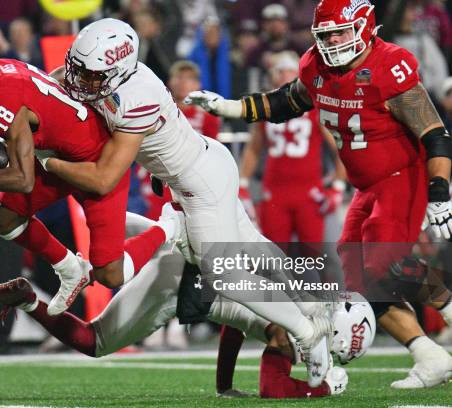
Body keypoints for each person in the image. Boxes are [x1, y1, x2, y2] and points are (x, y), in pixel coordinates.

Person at [45, 18, 333, 387]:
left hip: (200, 186)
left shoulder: (137, 96)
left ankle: (305, 333)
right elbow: (58, 80)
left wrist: (45, 161)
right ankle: (311, 306)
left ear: (118, 69)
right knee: (252, 246)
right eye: (79, 69)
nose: (81, 80)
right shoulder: (113, 77)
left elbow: (104, 177)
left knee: (226, 275)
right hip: (205, 167)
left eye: (92, 74)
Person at [185, 0, 452, 389]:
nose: (332, 41)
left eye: (340, 32)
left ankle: (447, 302)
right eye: (325, 34)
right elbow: (283, 103)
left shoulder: (389, 65)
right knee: (362, 280)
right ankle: (429, 357)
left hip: (401, 177)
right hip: (366, 186)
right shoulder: (317, 66)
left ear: (364, 26)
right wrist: (227, 106)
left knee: (379, 264)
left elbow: (434, 132)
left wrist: (440, 191)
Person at [0, 212, 371, 398]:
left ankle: (146, 226)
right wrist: (317, 394)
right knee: (93, 340)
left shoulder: (301, 293)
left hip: (191, 247)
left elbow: (242, 324)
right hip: (178, 282)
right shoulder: (299, 325)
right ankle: (30, 298)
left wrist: (224, 385)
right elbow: (273, 387)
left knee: (107, 224)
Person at [0, 29, 180, 317]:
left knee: (110, 274)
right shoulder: (1, 71)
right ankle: (71, 271)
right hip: (60, 155)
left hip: (94, 162)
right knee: (3, 218)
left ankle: (168, 226)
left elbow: (23, 179)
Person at [239, 51, 345, 244]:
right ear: (273, 74)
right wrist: (243, 183)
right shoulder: (266, 106)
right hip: (274, 192)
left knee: (314, 258)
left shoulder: (315, 105)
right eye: (281, 71)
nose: (285, 76)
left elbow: (340, 147)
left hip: (309, 192)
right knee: (275, 257)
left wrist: (338, 187)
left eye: (290, 70)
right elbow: (254, 147)